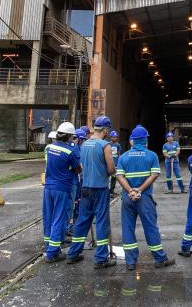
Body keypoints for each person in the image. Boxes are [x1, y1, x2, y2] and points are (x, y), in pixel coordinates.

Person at [115, 125, 175, 270]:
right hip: (145, 198)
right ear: (145, 140)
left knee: (128, 228)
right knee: (150, 227)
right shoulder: (151, 156)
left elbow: (119, 176)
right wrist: (140, 190)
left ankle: (130, 262)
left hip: (128, 198)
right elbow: (154, 174)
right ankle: (160, 258)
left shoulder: (123, 157)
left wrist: (130, 191)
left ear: (133, 141)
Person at [67, 115, 117, 268]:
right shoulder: (105, 145)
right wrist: (107, 172)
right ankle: (101, 258)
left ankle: (73, 253)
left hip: (85, 187)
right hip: (100, 188)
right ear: (106, 130)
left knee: (83, 220)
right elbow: (111, 169)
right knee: (101, 221)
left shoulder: (84, 144)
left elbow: (81, 166)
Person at [42, 122, 80, 262]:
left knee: (48, 218)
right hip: (62, 188)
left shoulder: (49, 148)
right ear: (69, 136)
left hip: (48, 188)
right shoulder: (71, 151)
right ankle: (52, 253)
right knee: (59, 219)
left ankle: (49, 246)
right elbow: (78, 169)